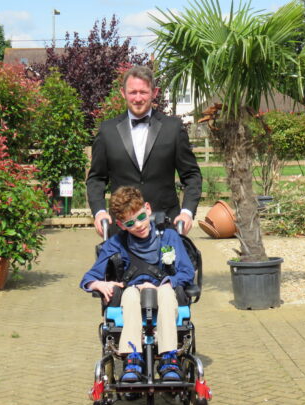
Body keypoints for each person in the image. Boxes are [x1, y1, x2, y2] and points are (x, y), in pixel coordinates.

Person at [80, 186, 195, 383]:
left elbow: (187, 272)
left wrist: (167, 283)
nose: (139, 225)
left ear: (148, 209)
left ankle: (169, 358)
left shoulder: (169, 237)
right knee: (130, 295)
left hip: (164, 291)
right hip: (132, 293)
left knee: (167, 294)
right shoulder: (116, 243)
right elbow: (88, 278)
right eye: (130, 223)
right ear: (121, 225)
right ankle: (133, 357)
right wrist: (98, 284)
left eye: (141, 217)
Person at [86, 65, 202, 236]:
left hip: (166, 225)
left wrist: (187, 212)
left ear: (154, 93)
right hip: (122, 227)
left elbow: (192, 175)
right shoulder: (107, 131)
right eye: (133, 92)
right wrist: (99, 212)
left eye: (143, 92)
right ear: (123, 93)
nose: (138, 98)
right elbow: (96, 178)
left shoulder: (173, 128)